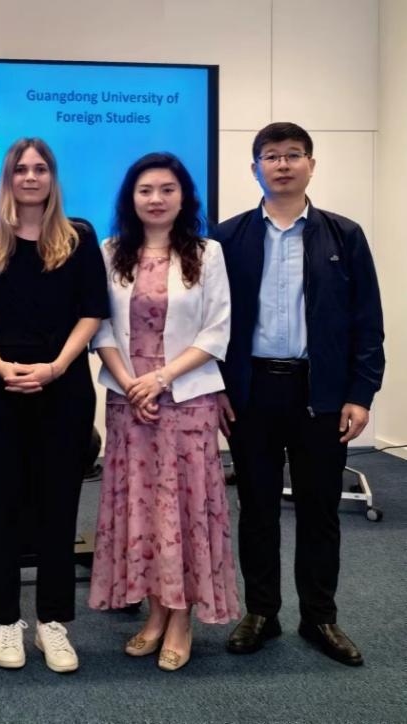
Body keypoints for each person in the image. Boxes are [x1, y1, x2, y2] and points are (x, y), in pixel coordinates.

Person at [215, 122, 384, 666]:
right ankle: (261, 612)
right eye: (271, 156)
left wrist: (361, 394)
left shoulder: (344, 236)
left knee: (319, 510)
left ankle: (319, 617)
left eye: (293, 154)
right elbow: (212, 323)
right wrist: (217, 389)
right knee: (257, 508)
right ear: (255, 168)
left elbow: (367, 322)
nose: (282, 164)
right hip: (252, 392)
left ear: (312, 164)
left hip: (321, 393)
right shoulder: (228, 238)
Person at [87, 152, 239, 672]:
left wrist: (161, 378)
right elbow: (100, 327)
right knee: (142, 511)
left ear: (183, 197)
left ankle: (181, 618)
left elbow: (217, 330)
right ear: (131, 198)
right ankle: (155, 612)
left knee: (185, 511)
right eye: (146, 190)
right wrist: (132, 383)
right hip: (129, 403)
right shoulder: (111, 252)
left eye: (167, 189)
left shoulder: (207, 253)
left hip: (187, 399)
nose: (156, 199)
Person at [0, 137, 108, 673]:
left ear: (52, 177)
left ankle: (53, 621)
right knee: (0, 504)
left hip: (63, 389)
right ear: (8, 178)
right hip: (0, 388)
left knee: (58, 506)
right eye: (21, 169)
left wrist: (55, 367)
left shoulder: (80, 237)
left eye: (40, 168)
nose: (30, 177)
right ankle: (7, 619)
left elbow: (92, 312)